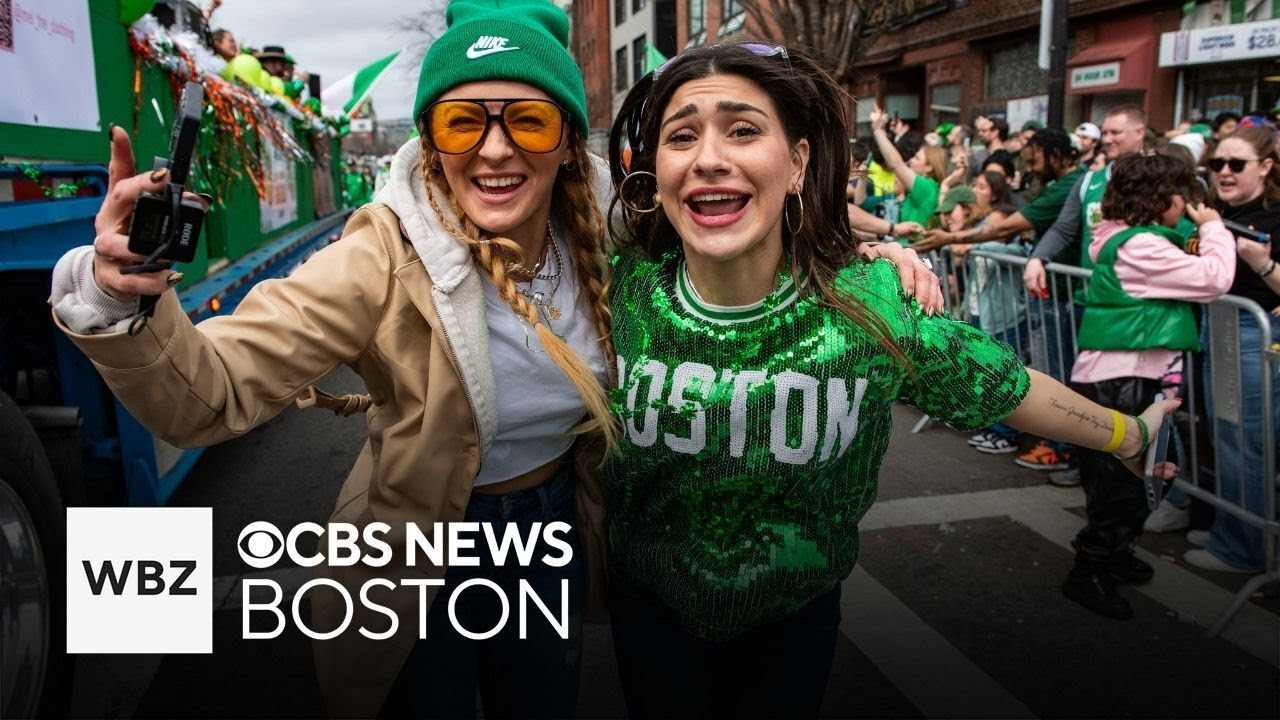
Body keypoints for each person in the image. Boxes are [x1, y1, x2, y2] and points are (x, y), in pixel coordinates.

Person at [47, 4, 940, 716]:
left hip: (549, 534)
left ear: (565, 136)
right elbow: (211, 395)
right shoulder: (381, 253)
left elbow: (734, 206)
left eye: (529, 120)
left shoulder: (608, 218)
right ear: (433, 134)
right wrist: (121, 295)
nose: (498, 148)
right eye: (465, 120)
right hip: (419, 539)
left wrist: (866, 251)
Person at [603, 41, 1178, 718]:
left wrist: (1126, 431)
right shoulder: (617, 290)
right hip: (651, 608)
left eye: (743, 129)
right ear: (654, 170)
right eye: (681, 136)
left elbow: (1007, 387)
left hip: (796, 617)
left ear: (798, 161)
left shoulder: (872, 303)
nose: (708, 158)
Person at [1064, 153, 1235, 618]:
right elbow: (1215, 278)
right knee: (1123, 484)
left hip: (1126, 378)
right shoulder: (1141, 246)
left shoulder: (1126, 237)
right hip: (1122, 382)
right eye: (1183, 194)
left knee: (1139, 479)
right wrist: (1216, 228)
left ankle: (1113, 554)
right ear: (1164, 197)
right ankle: (1090, 570)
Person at [1017, 106, 1150, 475]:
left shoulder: (1158, 176)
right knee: (1087, 393)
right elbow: (1063, 229)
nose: (1107, 139)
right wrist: (1036, 259)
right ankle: (1089, 466)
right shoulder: (1090, 181)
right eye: (1104, 132)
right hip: (1088, 302)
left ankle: (1144, 481)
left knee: (1132, 397)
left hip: (1136, 309)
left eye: (1116, 133)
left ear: (1140, 133)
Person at [1183, 126, 1280, 573]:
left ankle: (1243, 548)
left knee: (1244, 440)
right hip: (1215, 328)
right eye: (1217, 163)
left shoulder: (1276, 217)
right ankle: (1233, 528)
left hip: (1251, 337)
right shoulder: (1213, 213)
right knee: (1223, 435)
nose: (1224, 172)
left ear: (1265, 167)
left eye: (1235, 164)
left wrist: (1265, 265)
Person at [868, 104, 947, 236]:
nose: (911, 161)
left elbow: (896, 164)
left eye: (917, 158)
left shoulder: (928, 187)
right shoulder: (911, 193)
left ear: (929, 167)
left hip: (915, 252)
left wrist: (878, 131)